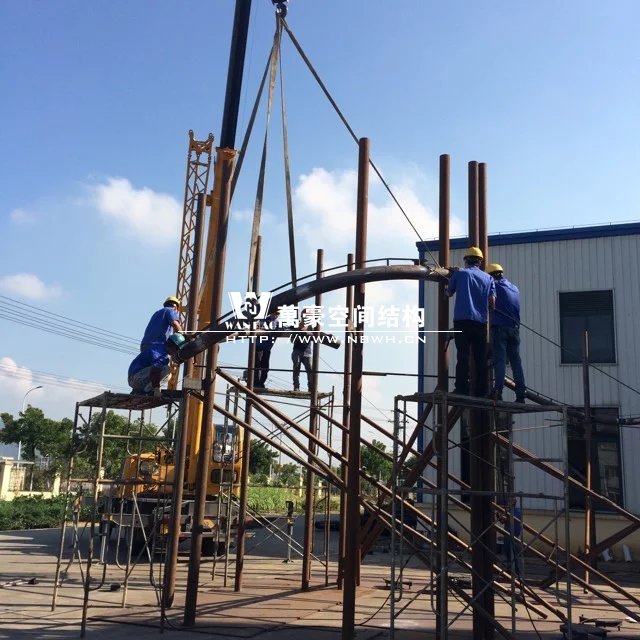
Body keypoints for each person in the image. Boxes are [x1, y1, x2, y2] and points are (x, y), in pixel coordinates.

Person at [446, 247, 496, 397]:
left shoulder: (460, 273)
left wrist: (451, 280)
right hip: (480, 322)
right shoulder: (489, 278)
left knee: (463, 355)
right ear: (480, 262)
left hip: (462, 320)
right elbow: (492, 302)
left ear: (466, 260)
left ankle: (462, 388)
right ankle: (482, 391)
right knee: (480, 358)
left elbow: (449, 292)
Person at [487, 264, 526, 403]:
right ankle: (521, 395)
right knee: (516, 362)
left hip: (500, 329)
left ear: (490, 276)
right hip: (514, 329)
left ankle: (497, 392)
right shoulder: (514, 288)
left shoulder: (493, 286)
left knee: (500, 361)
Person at [129, 296, 184, 396]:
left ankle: (139, 390)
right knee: (163, 370)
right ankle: (150, 390)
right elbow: (175, 324)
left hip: (146, 344)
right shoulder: (170, 311)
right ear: (175, 307)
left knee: (149, 368)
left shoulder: (157, 313)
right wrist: (183, 336)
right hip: (157, 345)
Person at [254, 309, 281, 388]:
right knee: (256, 365)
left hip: (267, 348)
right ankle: (255, 382)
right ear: (271, 313)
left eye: (277, 314)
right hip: (258, 347)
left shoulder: (278, 323)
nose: (275, 316)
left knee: (265, 367)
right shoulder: (263, 320)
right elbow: (256, 327)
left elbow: (280, 332)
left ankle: (261, 383)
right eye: (274, 313)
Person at [290, 311, 313, 392]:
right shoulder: (296, 325)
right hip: (297, 351)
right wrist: (297, 331)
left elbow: (319, 333)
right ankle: (296, 387)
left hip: (307, 352)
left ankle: (311, 388)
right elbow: (291, 339)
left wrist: (326, 335)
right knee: (296, 369)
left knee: (310, 371)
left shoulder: (311, 327)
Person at [502, 497, 523, 577]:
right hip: (507, 533)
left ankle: (517, 572)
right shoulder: (508, 511)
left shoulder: (517, 511)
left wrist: (505, 518)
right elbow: (504, 521)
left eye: (510, 501)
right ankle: (509, 570)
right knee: (507, 552)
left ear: (514, 502)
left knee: (514, 553)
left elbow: (513, 519)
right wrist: (500, 517)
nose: (508, 503)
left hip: (514, 534)